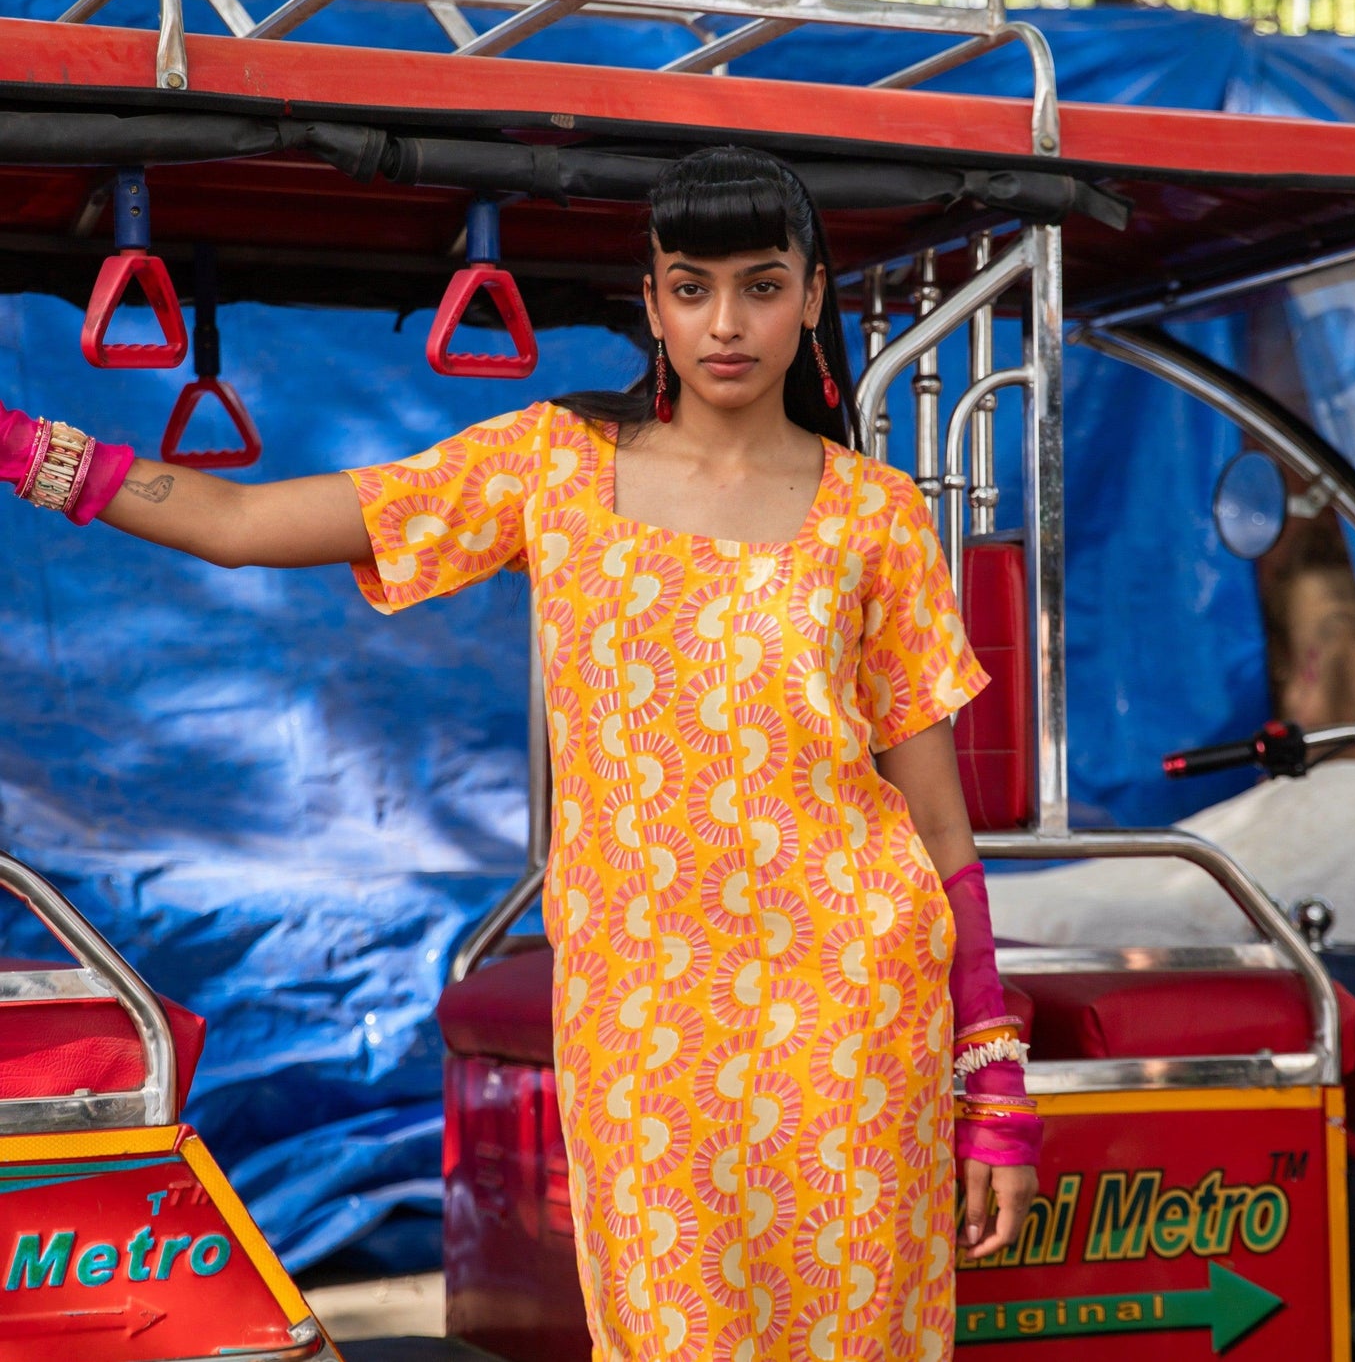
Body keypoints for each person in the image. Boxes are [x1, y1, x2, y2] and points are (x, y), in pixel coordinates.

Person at [0, 146, 1039, 1360]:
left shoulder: (876, 516)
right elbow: (242, 522)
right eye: (690, 285)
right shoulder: (553, 468)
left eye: (761, 285)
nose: (725, 321)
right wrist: (23, 447)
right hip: (646, 1032)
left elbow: (934, 828)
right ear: (649, 302)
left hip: (856, 1018)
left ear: (811, 297)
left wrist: (995, 1089)